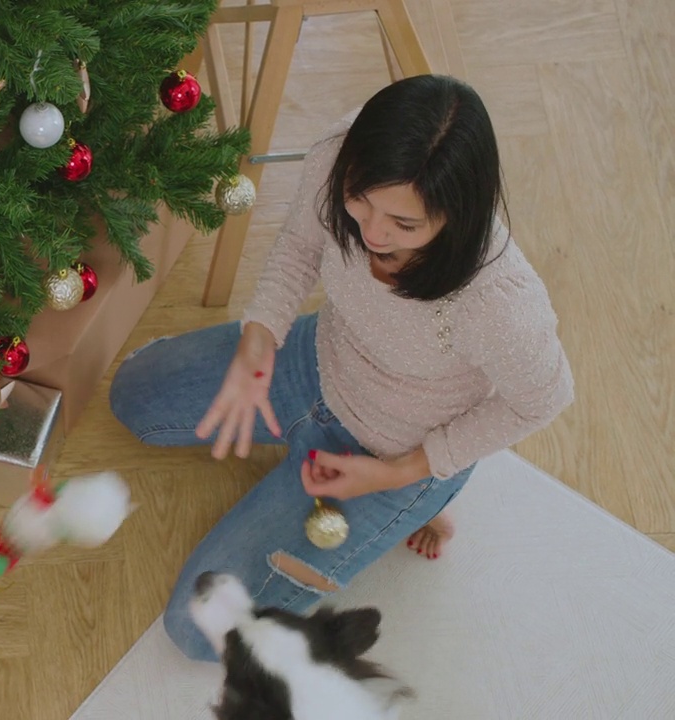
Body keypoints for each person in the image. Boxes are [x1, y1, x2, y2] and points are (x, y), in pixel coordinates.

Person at [109, 75, 574, 662]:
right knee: (131, 397)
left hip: (392, 447)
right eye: (362, 203)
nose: (371, 232)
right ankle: (364, 475)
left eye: (404, 226)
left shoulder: (501, 302)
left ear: (458, 215)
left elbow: (542, 399)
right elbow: (301, 249)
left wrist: (400, 473)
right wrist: (258, 344)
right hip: (313, 360)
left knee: (197, 630)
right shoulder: (339, 154)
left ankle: (427, 501)